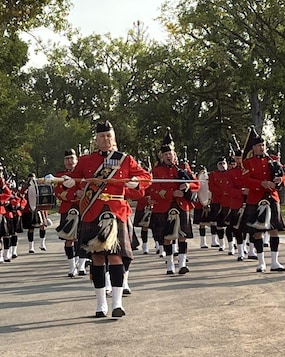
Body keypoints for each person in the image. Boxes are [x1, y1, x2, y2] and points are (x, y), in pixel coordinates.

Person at [62, 120, 151, 318]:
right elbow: (74, 178)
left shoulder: (125, 159)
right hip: (92, 211)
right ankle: (101, 303)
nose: (106, 139)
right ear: (96, 139)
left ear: (114, 137)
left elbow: (146, 176)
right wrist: (69, 183)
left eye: (109, 136)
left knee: (116, 256)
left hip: (116, 211)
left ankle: (117, 303)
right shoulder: (86, 160)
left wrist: (136, 182)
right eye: (102, 136)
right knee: (97, 258)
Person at [241, 126, 285, 273]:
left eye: (263, 145)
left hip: (272, 198)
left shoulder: (274, 160)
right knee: (257, 232)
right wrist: (261, 184)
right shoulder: (248, 163)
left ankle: (275, 262)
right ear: (254, 148)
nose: (261, 148)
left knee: (274, 230)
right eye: (258, 146)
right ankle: (261, 262)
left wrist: (280, 179)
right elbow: (245, 180)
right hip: (255, 198)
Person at [148, 132, 199, 275]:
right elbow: (154, 189)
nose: (169, 157)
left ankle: (182, 263)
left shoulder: (183, 168)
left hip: (181, 205)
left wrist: (188, 187)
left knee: (182, 235)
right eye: (166, 155)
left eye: (170, 154)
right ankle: (170, 265)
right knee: (167, 237)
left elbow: (196, 183)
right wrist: (171, 194)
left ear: (174, 155)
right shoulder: (157, 171)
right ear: (161, 157)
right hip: (165, 206)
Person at [54, 149, 84, 277]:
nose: (69, 161)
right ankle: (72, 267)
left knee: (83, 238)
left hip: (83, 208)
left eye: (72, 158)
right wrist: (75, 194)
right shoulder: (60, 176)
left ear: (77, 160)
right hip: (67, 209)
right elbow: (59, 193)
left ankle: (81, 265)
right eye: (67, 159)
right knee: (69, 239)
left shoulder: (84, 175)